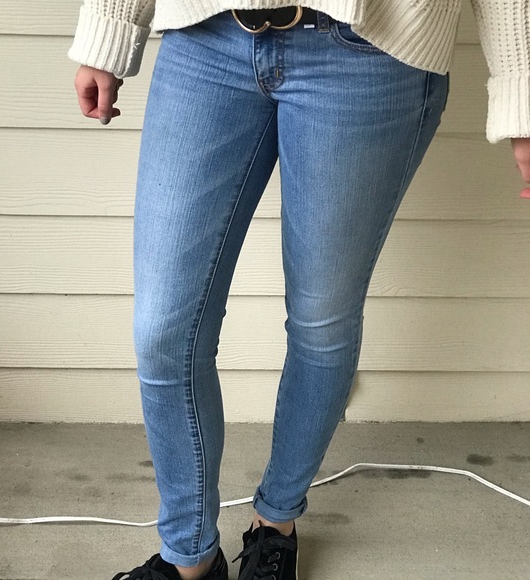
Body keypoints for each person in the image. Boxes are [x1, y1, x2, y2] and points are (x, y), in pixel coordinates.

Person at [69, 2, 530, 579]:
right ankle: (189, 558)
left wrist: (522, 92)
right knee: (165, 328)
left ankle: (277, 522)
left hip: (371, 45)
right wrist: (109, 25)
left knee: (321, 320)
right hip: (207, 34)